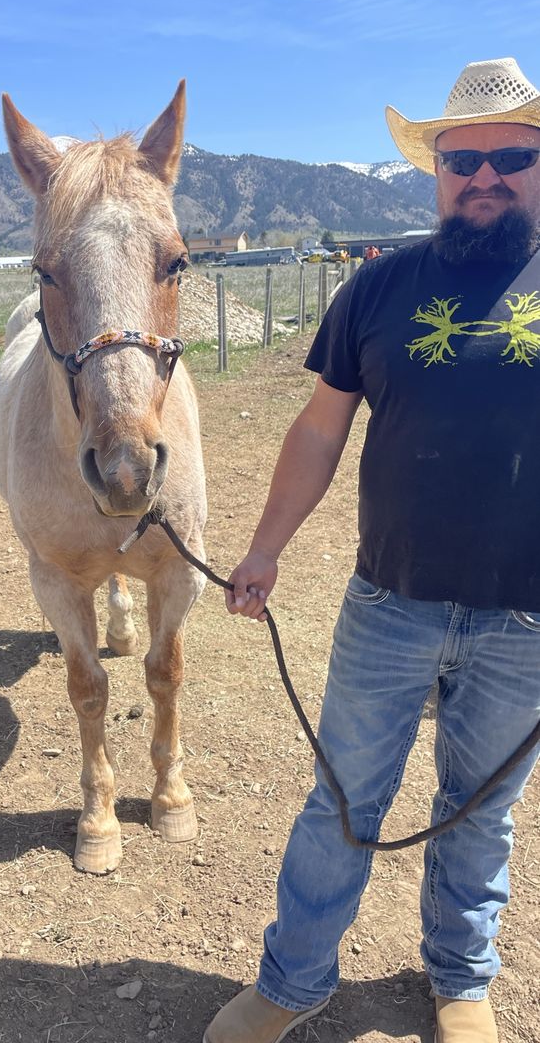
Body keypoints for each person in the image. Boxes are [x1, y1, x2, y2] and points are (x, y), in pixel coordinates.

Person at [204, 57, 540, 1043]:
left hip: (528, 618)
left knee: (481, 810)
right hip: (390, 603)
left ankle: (461, 980)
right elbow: (320, 429)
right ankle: (293, 982)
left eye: (511, 157)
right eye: (462, 159)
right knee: (344, 802)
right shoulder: (380, 285)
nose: (484, 176)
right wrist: (265, 547)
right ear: (436, 173)